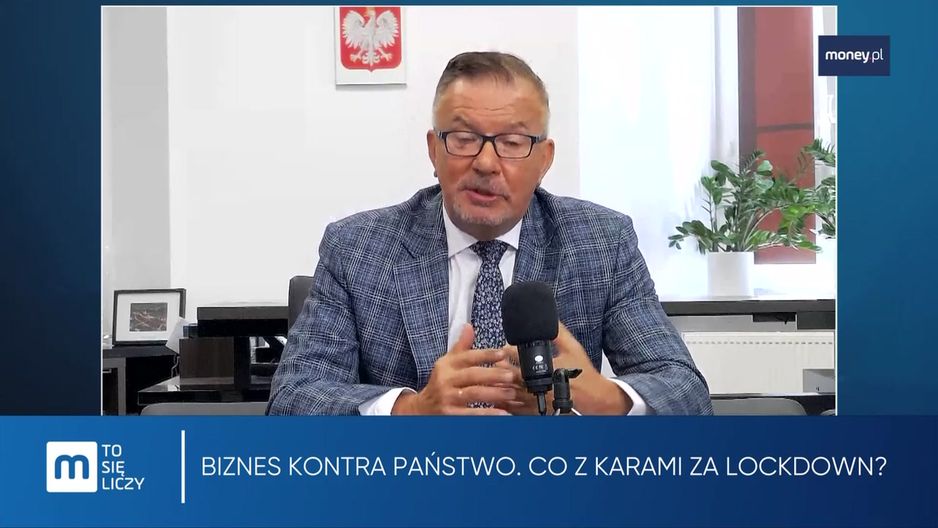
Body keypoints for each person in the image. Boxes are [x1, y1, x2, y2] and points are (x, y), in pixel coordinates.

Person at [268, 51, 711, 416]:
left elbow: (685, 390)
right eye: (463, 138)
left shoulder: (601, 242)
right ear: (434, 150)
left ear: (544, 159)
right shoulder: (358, 249)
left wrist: (606, 399)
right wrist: (412, 411)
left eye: (512, 143)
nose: (485, 162)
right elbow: (292, 399)